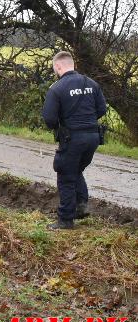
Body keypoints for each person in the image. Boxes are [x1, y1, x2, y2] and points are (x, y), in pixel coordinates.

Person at [41, 51, 107, 230]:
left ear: (58, 66)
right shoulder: (92, 84)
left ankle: (65, 220)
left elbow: (49, 119)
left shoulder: (57, 88)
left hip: (72, 137)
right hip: (93, 137)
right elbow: (102, 109)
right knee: (76, 169)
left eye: (55, 68)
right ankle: (81, 205)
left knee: (65, 174)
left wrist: (63, 124)